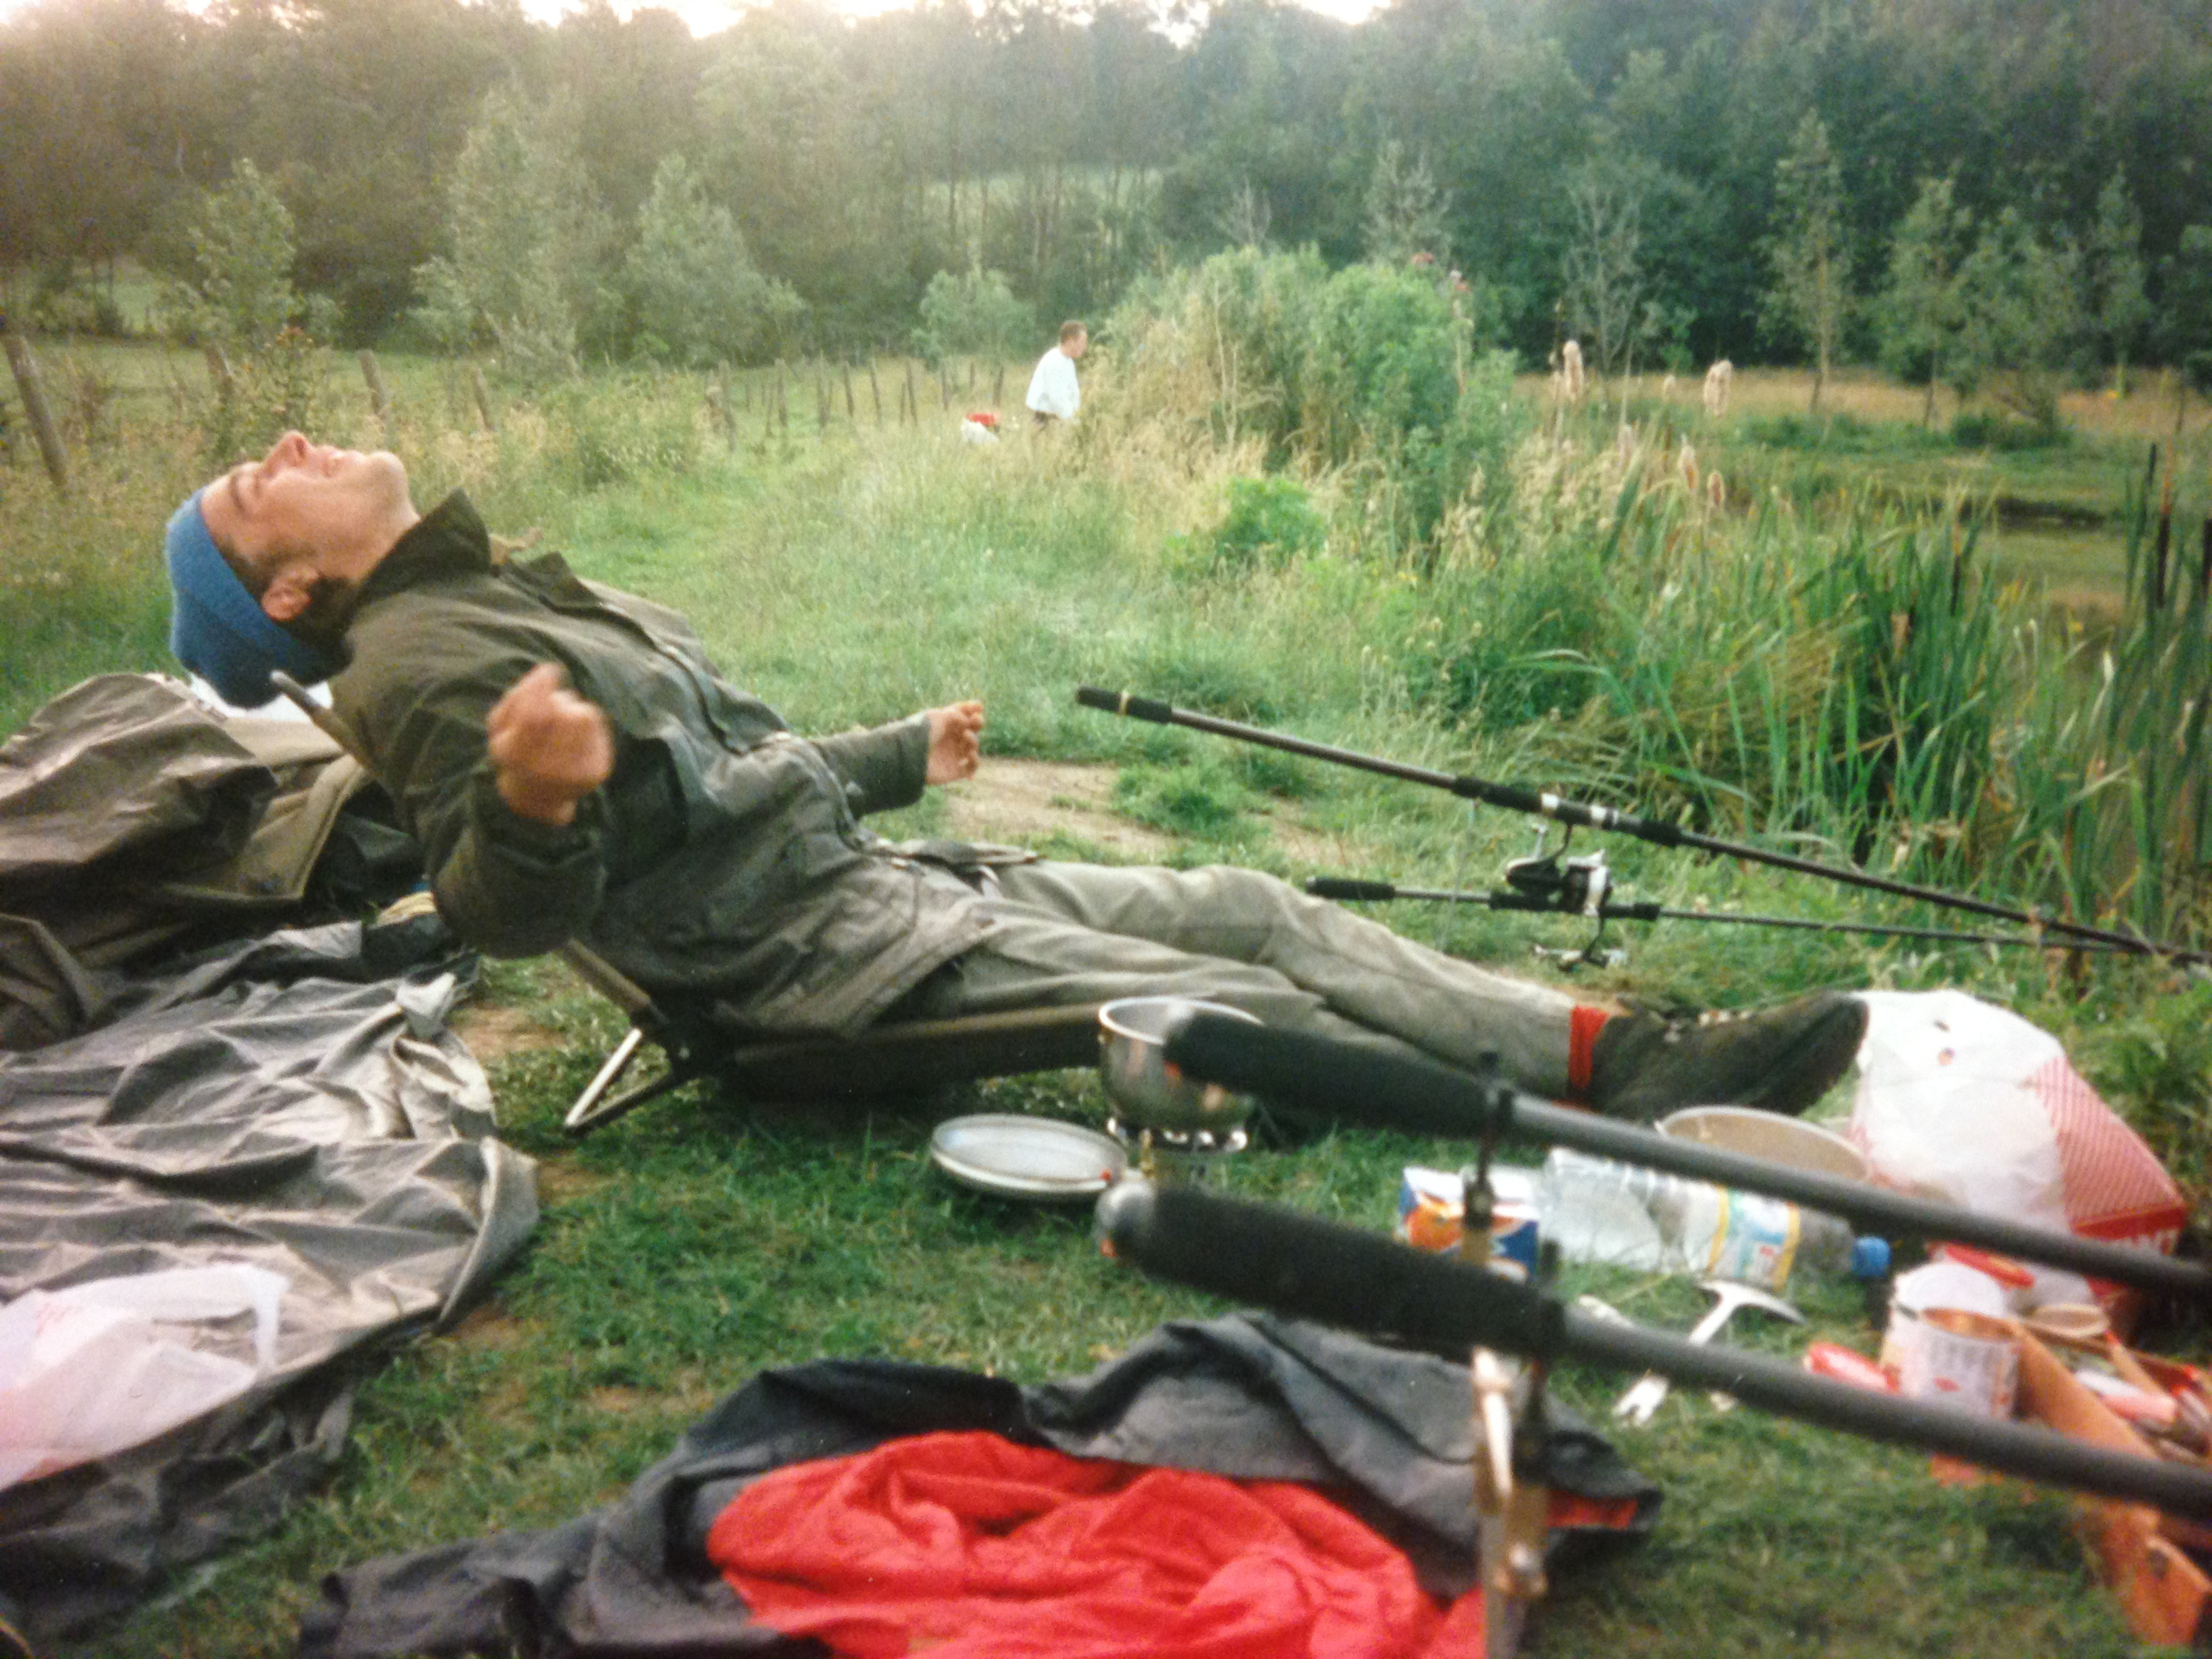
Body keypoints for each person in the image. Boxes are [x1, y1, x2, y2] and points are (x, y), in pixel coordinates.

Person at [161, 432, 1868, 1122]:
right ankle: (1588, 1119)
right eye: (256, 485)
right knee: (1227, 997)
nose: (291, 446)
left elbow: (723, 775)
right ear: (289, 593)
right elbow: (497, 910)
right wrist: (532, 806)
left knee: (1248, 897)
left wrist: (898, 756)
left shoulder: (487, 591)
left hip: (863, 889)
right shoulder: (414, 664)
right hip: (809, 971)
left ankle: (1611, 1047)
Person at [1025, 322, 1086, 430]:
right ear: (1071, 341)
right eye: (1082, 342)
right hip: (1046, 420)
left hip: (1061, 418)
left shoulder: (1068, 361)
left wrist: (1078, 416)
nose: (1084, 347)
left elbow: (1074, 393)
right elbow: (1057, 399)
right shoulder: (1054, 362)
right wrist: (1074, 423)